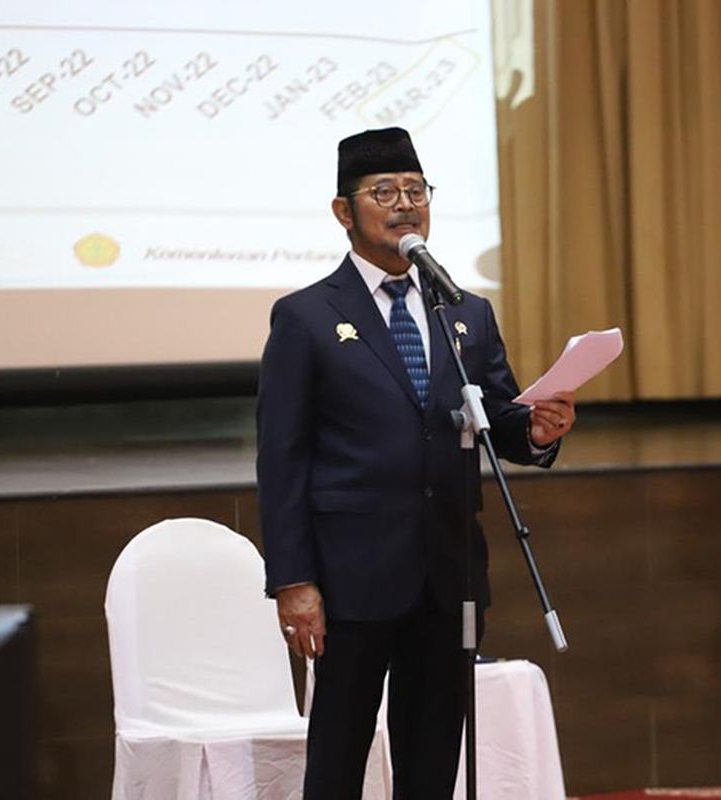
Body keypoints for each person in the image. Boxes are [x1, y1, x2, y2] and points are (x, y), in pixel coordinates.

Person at [256, 126, 576, 799]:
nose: (405, 205)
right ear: (345, 211)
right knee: (339, 756)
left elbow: (501, 421)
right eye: (384, 192)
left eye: (415, 191)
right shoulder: (307, 317)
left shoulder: (465, 311)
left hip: (448, 571)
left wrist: (539, 430)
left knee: (432, 760)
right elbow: (281, 460)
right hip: (350, 579)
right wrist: (293, 580)